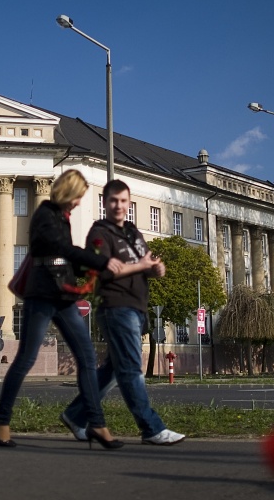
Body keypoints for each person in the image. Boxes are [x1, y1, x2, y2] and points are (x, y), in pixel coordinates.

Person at [0, 169, 126, 449]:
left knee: (86, 357)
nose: (78, 202)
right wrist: (100, 261)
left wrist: (94, 266)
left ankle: (96, 423)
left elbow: (66, 258)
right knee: (26, 360)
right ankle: (1, 421)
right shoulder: (45, 214)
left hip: (63, 295)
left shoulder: (62, 217)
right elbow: (61, 249)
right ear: (67, 192)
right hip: (42, 295)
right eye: (77, 197)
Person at [60, 179, 186, 446]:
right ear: (105, 202)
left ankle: (76, 415)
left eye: (123, 201)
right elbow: (104, 271)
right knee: (130, 369)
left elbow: (147, 262)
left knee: (115, 369)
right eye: (113, 201)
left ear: (129, 203)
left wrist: (156, 269)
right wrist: (140, 266)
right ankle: (151, 428)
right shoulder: (99, 233)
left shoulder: (132, 232)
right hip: (115, 306)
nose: (119, 206)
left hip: (137, 307)